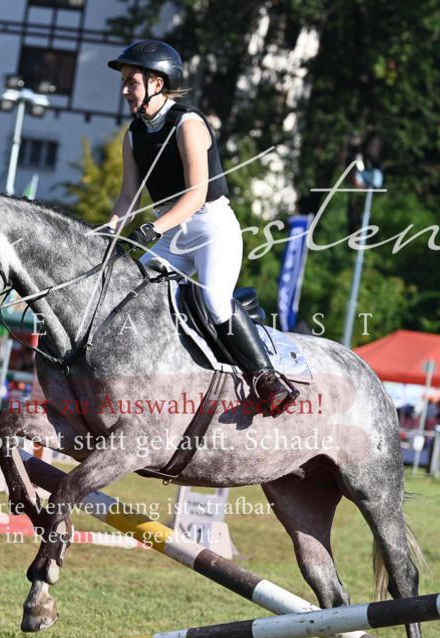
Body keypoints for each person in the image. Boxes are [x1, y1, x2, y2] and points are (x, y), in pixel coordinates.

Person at [106, 39, 297, 414]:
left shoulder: (188, 124)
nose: (125, 89)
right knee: (126, 296)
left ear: (157, 84)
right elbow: (129, 196)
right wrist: (106, 233)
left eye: (132, 81)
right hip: (170, 232)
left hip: (210, 227)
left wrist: (154, 228)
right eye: (124, 81)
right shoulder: (133, 134)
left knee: (213, 301)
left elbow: (195, 195)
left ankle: (268, 379)